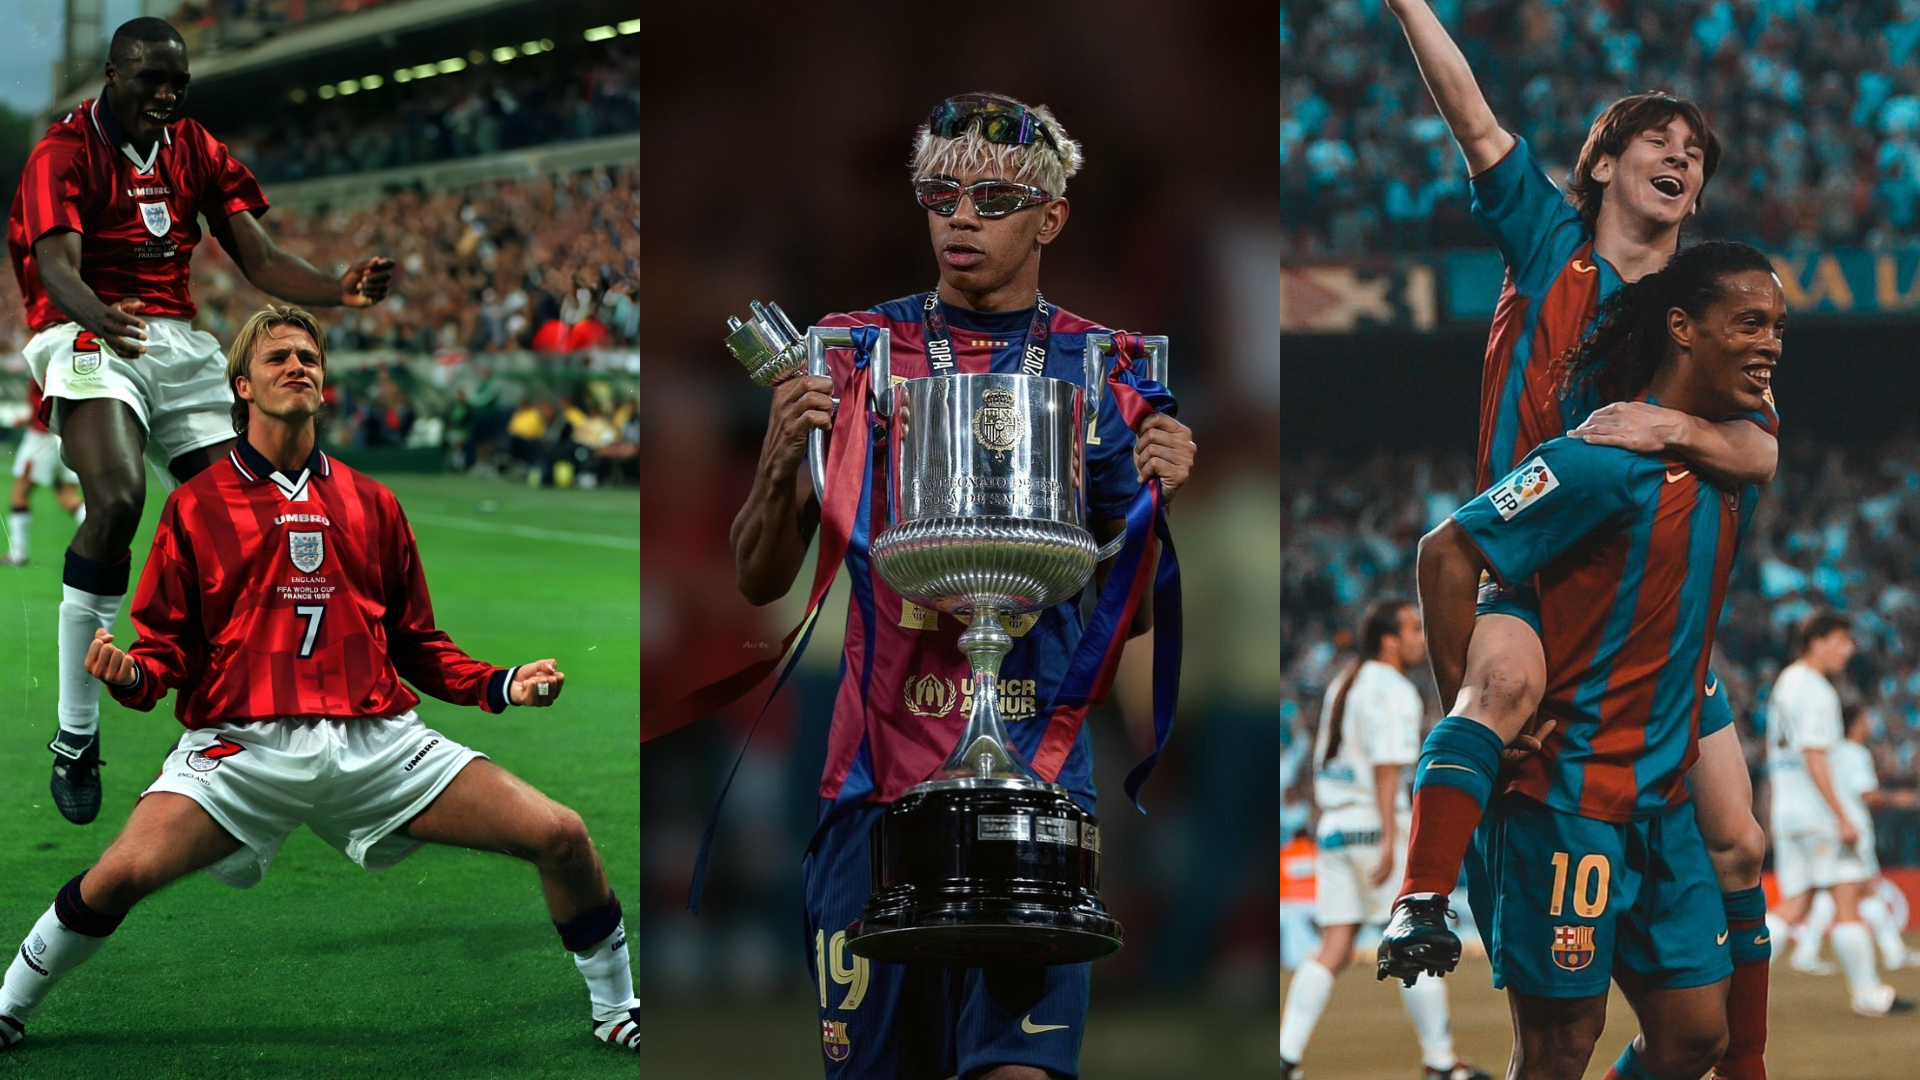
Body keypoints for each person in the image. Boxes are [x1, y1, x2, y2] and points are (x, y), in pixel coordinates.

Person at [0, 305, 638, 1052]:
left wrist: (503, 683)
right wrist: (131, 673)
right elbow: (167, 650)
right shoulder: (195, 506)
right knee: (118, 877)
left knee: (561, 834)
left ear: (324, 383)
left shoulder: (374, 502)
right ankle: (8, 1005)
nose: (297, 366)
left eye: (308, 357)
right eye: (277, 358)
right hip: (243, 748)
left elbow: (416, 642)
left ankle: (618, 1008)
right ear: (241, 386)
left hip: (380, 744)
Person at [729, 93, 1196, 1080]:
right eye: (940, 196)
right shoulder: (854, 351)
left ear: (1051, 218)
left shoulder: (1101, 369)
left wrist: (1156, 497)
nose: (961, 217)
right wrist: (779, 458)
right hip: (875, 790)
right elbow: (758, 575)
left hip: (1036, 785)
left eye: (993, 198)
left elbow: (1128, 615)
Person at [1379, 6, 1778, 1078]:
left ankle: (1740, 1061)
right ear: (1601, 164)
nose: (1682, 156)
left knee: (1739, 836)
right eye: (1659, 139)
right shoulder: (1549, 243)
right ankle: (1422, 894)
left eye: (1696, 153)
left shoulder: (1698, 312)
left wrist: (1671, 428)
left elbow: (1759, 450)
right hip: (1529, 572)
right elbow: (1471, 113)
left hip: (1646, 612)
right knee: (1502, 690)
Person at [6, 16, 395, 826]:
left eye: (177, 82)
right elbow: (54, 267)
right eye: (151, 78)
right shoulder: (62, 152)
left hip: (177, 342)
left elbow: (261, 259)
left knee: (256, 518)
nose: (166, 93)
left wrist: (338, 289)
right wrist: (101, 318)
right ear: (112, 75)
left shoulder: (195, 147)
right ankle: (76, 733)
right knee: (117, 499)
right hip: (85, 331)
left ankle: (243, 715)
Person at [1279, 600, 1491, 1080]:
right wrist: (1391, 839)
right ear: (1388, 640)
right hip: (1376, 824)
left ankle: (1285, 1057)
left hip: (1336, 826)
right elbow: (1385, 768)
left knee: (1333, 946)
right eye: (1413, 628)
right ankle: (1440, 1062)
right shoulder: (1393, 688)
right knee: (1415, 941)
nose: (1421, 636)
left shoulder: (1345, 681)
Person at [1761, 615, 1912, 1016]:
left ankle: (1737, 988)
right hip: (1819, 813)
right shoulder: (1816, 690)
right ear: (1817, 640)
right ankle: (1868, 993)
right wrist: (1842, 814)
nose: (1850, 649)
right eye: (1843, 640)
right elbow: (1815, 756)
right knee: (1848, 898)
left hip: (1790, 810)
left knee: (1797, 902)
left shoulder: (1786, 682)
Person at [1785, 705, 1920, 978]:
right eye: (1866, 719)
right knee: (1847, 890)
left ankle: (1892, 951)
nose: (1870, 724)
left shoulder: (1832, 752)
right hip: (1852, 828)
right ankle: (1809, 952)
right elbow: (1864, 793)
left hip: (1835, 826)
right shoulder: (1855, 753)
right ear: (1855, 724)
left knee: (1858, 890)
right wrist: (1898, 798)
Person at [6, 381, 86, 567]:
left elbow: (46, 405)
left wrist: (31, 418)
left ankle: (18, 553)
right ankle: (103, 538)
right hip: (67, 436)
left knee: (19, 493)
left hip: (42, 438)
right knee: (67, 496)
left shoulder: (43, 367)